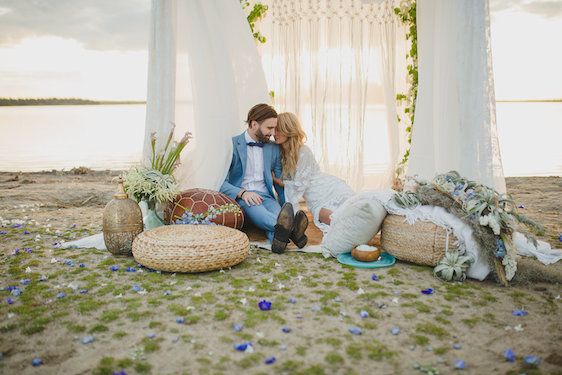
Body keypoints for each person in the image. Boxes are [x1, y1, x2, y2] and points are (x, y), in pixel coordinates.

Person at [220, 104, 308, 253]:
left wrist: (286, 205)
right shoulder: (232, 144)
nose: (273, 133)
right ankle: (294, 232)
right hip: (244, 196)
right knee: (264, 214)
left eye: (274, 128)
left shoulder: (273, 148)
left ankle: (278, 242)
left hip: (267, 196)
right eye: (269, 128)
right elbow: (219, 181)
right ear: (254, 124)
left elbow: (278, 182)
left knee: (279, 216)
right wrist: (242, 193)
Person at [272, 112, 355, 235]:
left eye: (279, 130)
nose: (274, 134)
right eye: (274, 129)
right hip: (314, 200)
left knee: (350, 216)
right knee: (334, 220)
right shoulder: (279, 151)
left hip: (329, 189)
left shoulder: (304, 151)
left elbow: (300, 184)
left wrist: (277, 181)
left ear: (288, 130)